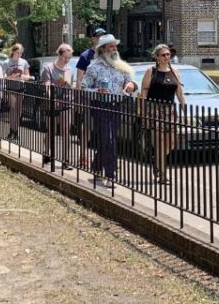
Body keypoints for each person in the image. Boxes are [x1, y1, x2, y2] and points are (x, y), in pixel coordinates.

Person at [81, 34, 136, 188]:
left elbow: (130, 82)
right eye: (111, 46)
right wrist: (97, 91)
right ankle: (111, 175)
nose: (114, 48)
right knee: (109, 140)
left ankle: (97, 167)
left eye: (115, 45)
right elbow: (84, 88)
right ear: (103, 49)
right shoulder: (93, 67)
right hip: (100, 106)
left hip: (117, 106)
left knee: (108, 141)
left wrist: (131, 84)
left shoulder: (121, 66)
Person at [139, 44, 186, 185]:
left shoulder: (174, 72)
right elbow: (144, 93)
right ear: (157, 57)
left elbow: (179, 94)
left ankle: (157, 161)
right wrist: (142, 112)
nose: (167, 57)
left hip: (170, 111)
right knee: (159, 143)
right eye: (164, 55)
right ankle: (163, 174)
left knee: (170, 143)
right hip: (154, 110)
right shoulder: (151, 71)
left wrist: (184, 110)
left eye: (168, 54)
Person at [42, 43, 75, 169]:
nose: (67, 60)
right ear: (59, 55)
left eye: (69, 58)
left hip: (66, 102)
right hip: (52, 103)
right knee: (51, 129)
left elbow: (68, 87)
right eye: (65, 57)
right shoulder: (48, 68)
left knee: (66, 130)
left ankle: (65, 159)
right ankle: (46, 152)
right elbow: (47, 84)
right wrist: (51, 97)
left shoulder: (68, 70)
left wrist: (70, 88)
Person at [2, 43, 30, 141]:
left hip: (20, 87)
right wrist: (11, 77)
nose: (19, 55)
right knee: (13, 108)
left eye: (21, 53)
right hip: (11, 88)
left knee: (19, 110)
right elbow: (2, 77)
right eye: (18, 52)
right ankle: (11, 131)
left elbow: (28, 76)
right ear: (13, 51)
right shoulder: (6, 62)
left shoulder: (24, 62)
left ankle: (16, 131)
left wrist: (21, 76)